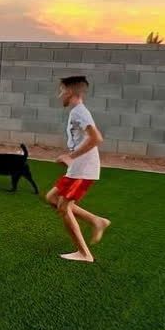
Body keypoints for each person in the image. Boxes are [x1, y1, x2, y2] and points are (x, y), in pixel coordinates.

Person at [46, 75, 111, 262]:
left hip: (84, 170)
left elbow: (96, 138)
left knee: (64, 207)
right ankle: (96, 221)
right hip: (76, 169)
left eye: (61, 91)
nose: (59, 95)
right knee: (52, 198)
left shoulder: (79, 112)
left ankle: (84, 254)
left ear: (70, 92)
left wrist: (70, 156)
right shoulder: (77, 111)